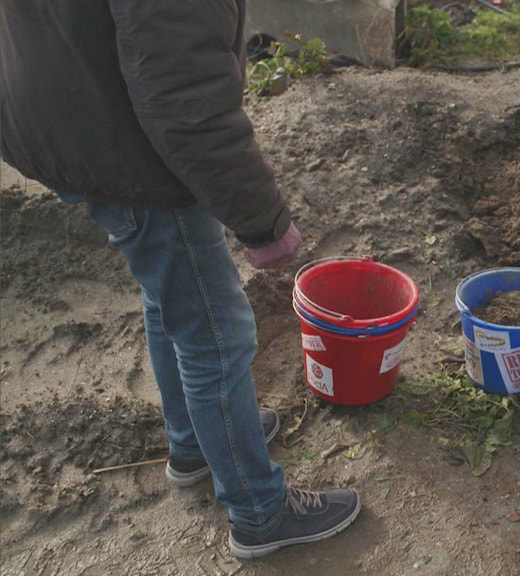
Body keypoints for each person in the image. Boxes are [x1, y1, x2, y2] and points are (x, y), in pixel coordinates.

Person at [0, 0, 359, 559]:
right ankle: (260, 511)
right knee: (217, 336)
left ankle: (192, 445)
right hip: (130, 149)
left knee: (169, 292)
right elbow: (184, 100)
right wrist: (261, 221)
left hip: (68, 114)